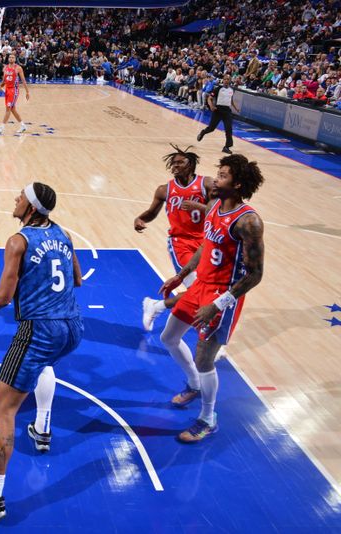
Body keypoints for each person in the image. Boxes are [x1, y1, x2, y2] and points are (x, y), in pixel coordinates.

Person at [0, 183, 84, 521]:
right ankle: (42, 428)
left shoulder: (18, 241)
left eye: (19, 196)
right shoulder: (63, 233)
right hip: (72, 327)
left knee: (3, 409)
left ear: (30, 205)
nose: (14, 199)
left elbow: (1, 298)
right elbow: (77, 280)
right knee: (44, 365)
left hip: (39, 329)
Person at [158, 154, 265, 442]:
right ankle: (193, 384)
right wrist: (182, 275)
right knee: (168, 337)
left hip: (223, 293)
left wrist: (217, 305)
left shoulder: (249, 222)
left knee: (204, 358)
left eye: (223, 175)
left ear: (238, 184)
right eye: (218, 172)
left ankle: (208, 418)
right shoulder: (215, 205)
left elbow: (255, 275)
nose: (215, 178)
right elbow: (207, 244)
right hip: (199, 284)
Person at [134, 145, 213, 331]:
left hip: (205, 243)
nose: (175, 166)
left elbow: (216, 211)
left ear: (191, 165)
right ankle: (206, 333)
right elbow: (152, 213)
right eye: (173, 163)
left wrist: (199, 207)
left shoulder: (206, 184)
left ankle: (156, 306)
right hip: (180, 243)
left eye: (180, 163)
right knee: (198, 289)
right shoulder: (164, 189)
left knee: (206, 290)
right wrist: (140, 219)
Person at [197, 74, 240, 154]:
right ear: (223, 80)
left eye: (228, 79)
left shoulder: (231, 90)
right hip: (218, 110)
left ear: (230, 80)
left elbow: (231, 100)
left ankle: (226, 147)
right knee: (211, 128)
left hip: (227, 111)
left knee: (229, 129)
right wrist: (211, 106)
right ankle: (203, 132)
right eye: (225, 79)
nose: (226, 80)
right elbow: (209, 98)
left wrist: (236, 108)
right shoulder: (218, 89)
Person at [0, 53, 30, 135]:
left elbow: (23, 80)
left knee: (8, 109)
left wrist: (27, 92)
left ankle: (1, 127)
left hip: (14, 91)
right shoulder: (5, 68)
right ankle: (23, 125)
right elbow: (4, 80)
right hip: (7, 90)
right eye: (10, 57)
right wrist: (1, 85)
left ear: (15, 59)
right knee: (12, 109)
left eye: (13, 57)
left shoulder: (18, 68)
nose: (11, 58)